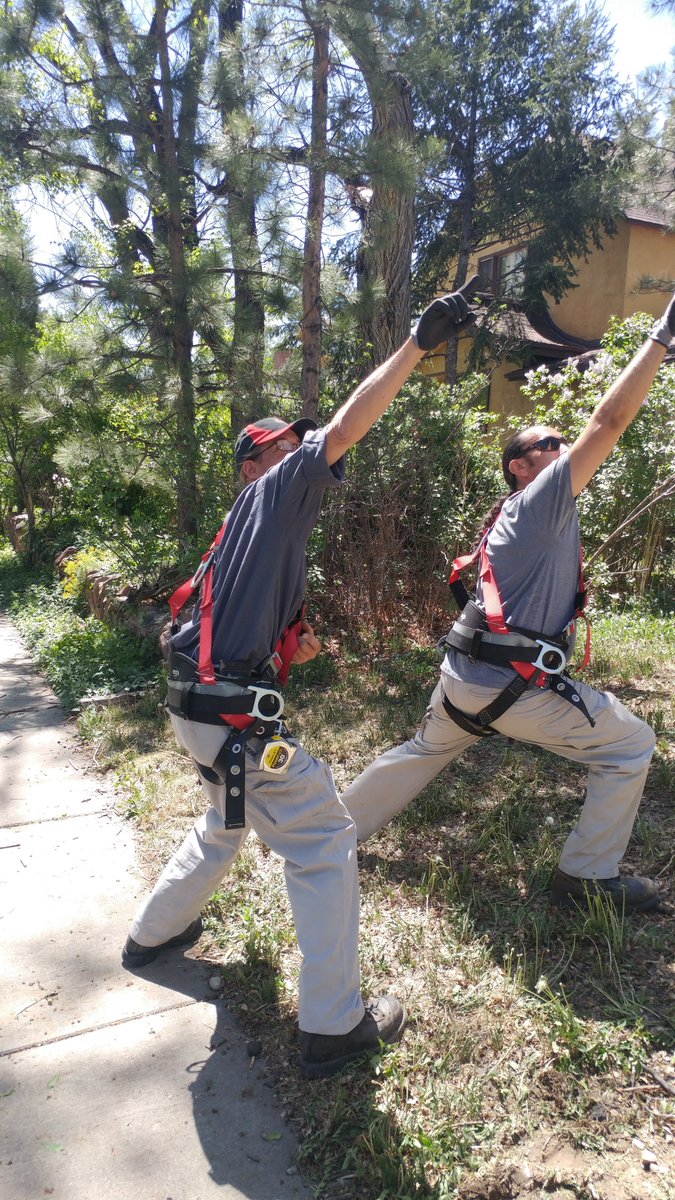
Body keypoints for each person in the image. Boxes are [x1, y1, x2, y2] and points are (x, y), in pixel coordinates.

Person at [122, 279, 481, 1078]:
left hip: (199, 712)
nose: (301, 452)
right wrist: (417, 343)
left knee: (224, 821)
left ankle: (151, 933)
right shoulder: (276, 491)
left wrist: (289, 654)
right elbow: (350, 421)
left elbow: (209, 628)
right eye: (284, 445)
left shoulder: (237, 532)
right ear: (258, 462)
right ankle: (332, 1026)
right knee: (322, 839)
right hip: (234, 721)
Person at [341, 296, 675, 915]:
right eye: (549, 443)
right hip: (511, 684)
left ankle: (333, 832)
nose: (562, 446)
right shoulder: (543, 497)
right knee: (631, 746)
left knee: (425, 751)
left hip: (465, 679)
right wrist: (662, 338)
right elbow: (608, 424)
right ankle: (587, 875)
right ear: (521, 467)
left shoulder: (520, 514)